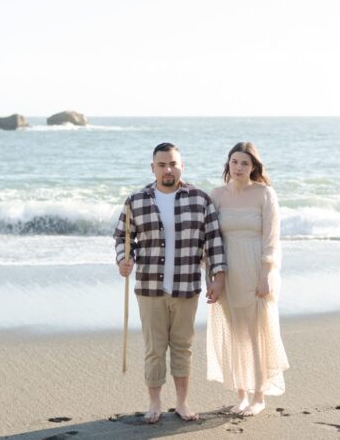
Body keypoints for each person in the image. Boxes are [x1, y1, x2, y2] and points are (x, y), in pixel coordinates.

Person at [114, 142, 227, 424]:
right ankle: (154, 404)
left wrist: (218, 277)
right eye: (162, 164)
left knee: (182, 347)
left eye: (173, 164)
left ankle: (182, 403)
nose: (168, 169)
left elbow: (213, 242)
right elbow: (123, 238)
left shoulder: (200, 199)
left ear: (182, 166)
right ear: (153, 168)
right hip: (149, 287)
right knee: (154, 348)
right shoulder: (136, 201)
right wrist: (124, 260)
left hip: (186, 286)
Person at [206, 142, 289, 416]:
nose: (239, 167)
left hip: (256, 269)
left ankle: (258, 396)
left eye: (245, 163)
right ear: (227, 165)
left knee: (256, 334)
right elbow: (209, 239)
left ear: (253, 166)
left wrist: (267, 273)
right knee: (234, 333)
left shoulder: (264, 194)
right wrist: (212, 275)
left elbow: (272, 237)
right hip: (226, 269)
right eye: (235, 162)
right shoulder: (216, 195)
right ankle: (241, 394)